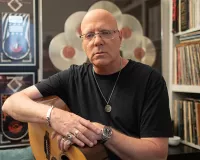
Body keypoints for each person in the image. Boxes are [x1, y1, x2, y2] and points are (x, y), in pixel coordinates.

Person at [2, 9, 172, 160]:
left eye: (105, 32)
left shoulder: (150, 80)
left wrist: (102, 133)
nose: (97, 41)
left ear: (120, 38)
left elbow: (157, 155)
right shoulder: (72, 76)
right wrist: (55, 117)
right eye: (89, 35)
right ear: (83, 44)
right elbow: (11, 103)